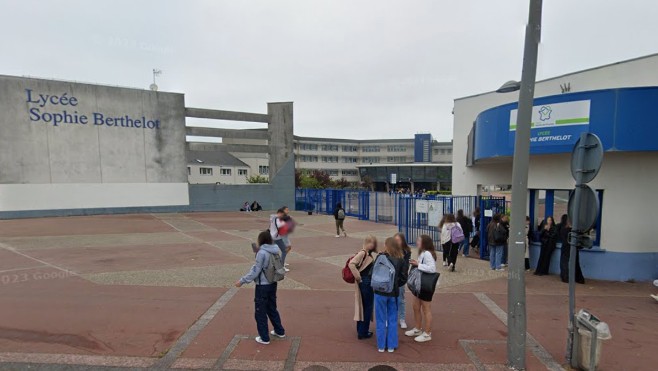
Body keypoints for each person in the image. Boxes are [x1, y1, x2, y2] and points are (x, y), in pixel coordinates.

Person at [235, 231, 285, 345]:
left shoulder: (261, 252)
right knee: (272, 307)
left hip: (262, 285)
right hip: (273, 282)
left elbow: (256, 271)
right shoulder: (275, 250)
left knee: (260, 312)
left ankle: (264, 337)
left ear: (261, 240)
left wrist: (242, 281)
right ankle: (279, 330)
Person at [373, 237, 408, 353]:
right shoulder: (401, 260)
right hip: (393, 293)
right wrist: (395, 284)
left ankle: (381, 346)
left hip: (379, 292)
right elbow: (403, 279)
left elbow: (373, 273)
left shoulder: (380, 257)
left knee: (380, 318)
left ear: (387, 246)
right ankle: (391, 345)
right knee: (392, 318)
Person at [405, 234, 438, 343]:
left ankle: (427, 333)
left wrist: (418, 264)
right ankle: (418, 328)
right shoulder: (423, 253)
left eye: (419, 240)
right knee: (415, 306)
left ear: (424, 242)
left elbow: (432, 269)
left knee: (426, 309)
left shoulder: (427, 253)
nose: (417, 241)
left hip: (425, 285)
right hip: (419, 285)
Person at [349, 235, 378, 340]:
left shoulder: (368, 253)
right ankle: (363, 332)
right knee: (367, 307)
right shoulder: (363, 253)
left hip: (366, 281)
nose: (372, 244)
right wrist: (358, 277)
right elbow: (351, 264)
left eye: (373, 242)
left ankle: (361, 330)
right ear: (366, 243)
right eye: (370, 242)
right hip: (365, 282)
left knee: (363, 306)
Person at [558, 214, 585, 284]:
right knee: (574, 262)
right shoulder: (572, 230)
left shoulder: (563, 229)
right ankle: (578, 278)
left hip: (566, 246)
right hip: (573, 246)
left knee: (564, 261)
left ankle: (565, 277)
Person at [394, 233, 411, 329]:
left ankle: (402, 319)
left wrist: (403, 278)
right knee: (391, 299)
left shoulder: (406, 251)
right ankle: (390, 318)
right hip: (391, 279)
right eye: (395, 240)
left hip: (400, 279)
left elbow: (405, 266)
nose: (396, 242)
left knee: (400, 299)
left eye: (398, 240)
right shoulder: (390, 250)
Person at [281, 206, 295, 272]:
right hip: (282, 235)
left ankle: (282, 262)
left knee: (288, 247)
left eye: (288, 209)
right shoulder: (283, 217)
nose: (288, 211)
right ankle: (281, 265)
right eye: (286, 210)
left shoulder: (285, 217)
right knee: (285, 249)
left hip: (285, 235)